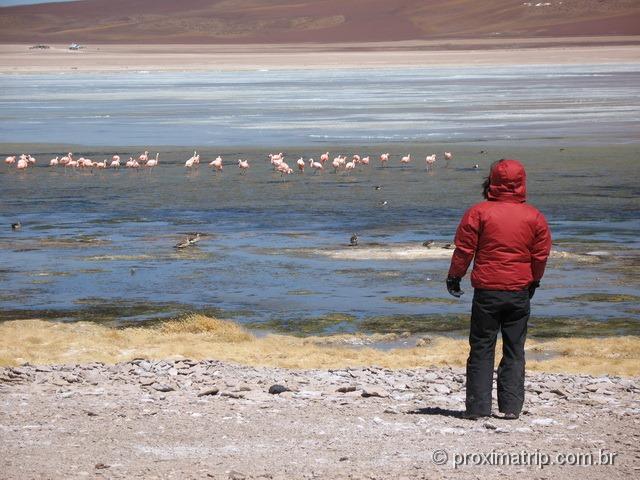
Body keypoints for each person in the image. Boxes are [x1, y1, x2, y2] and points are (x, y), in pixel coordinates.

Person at [446, 159, 552, 420]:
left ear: (491, 182)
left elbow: (464, 249)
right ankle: (511, 408)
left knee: (482, 347)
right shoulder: (534, 216)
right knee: (515, 348)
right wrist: (534, 281)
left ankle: (478, 408)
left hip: (487, 291)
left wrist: (454, 276)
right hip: (518, 291)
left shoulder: (478, 212)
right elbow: (540, 255)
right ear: (522, 183)